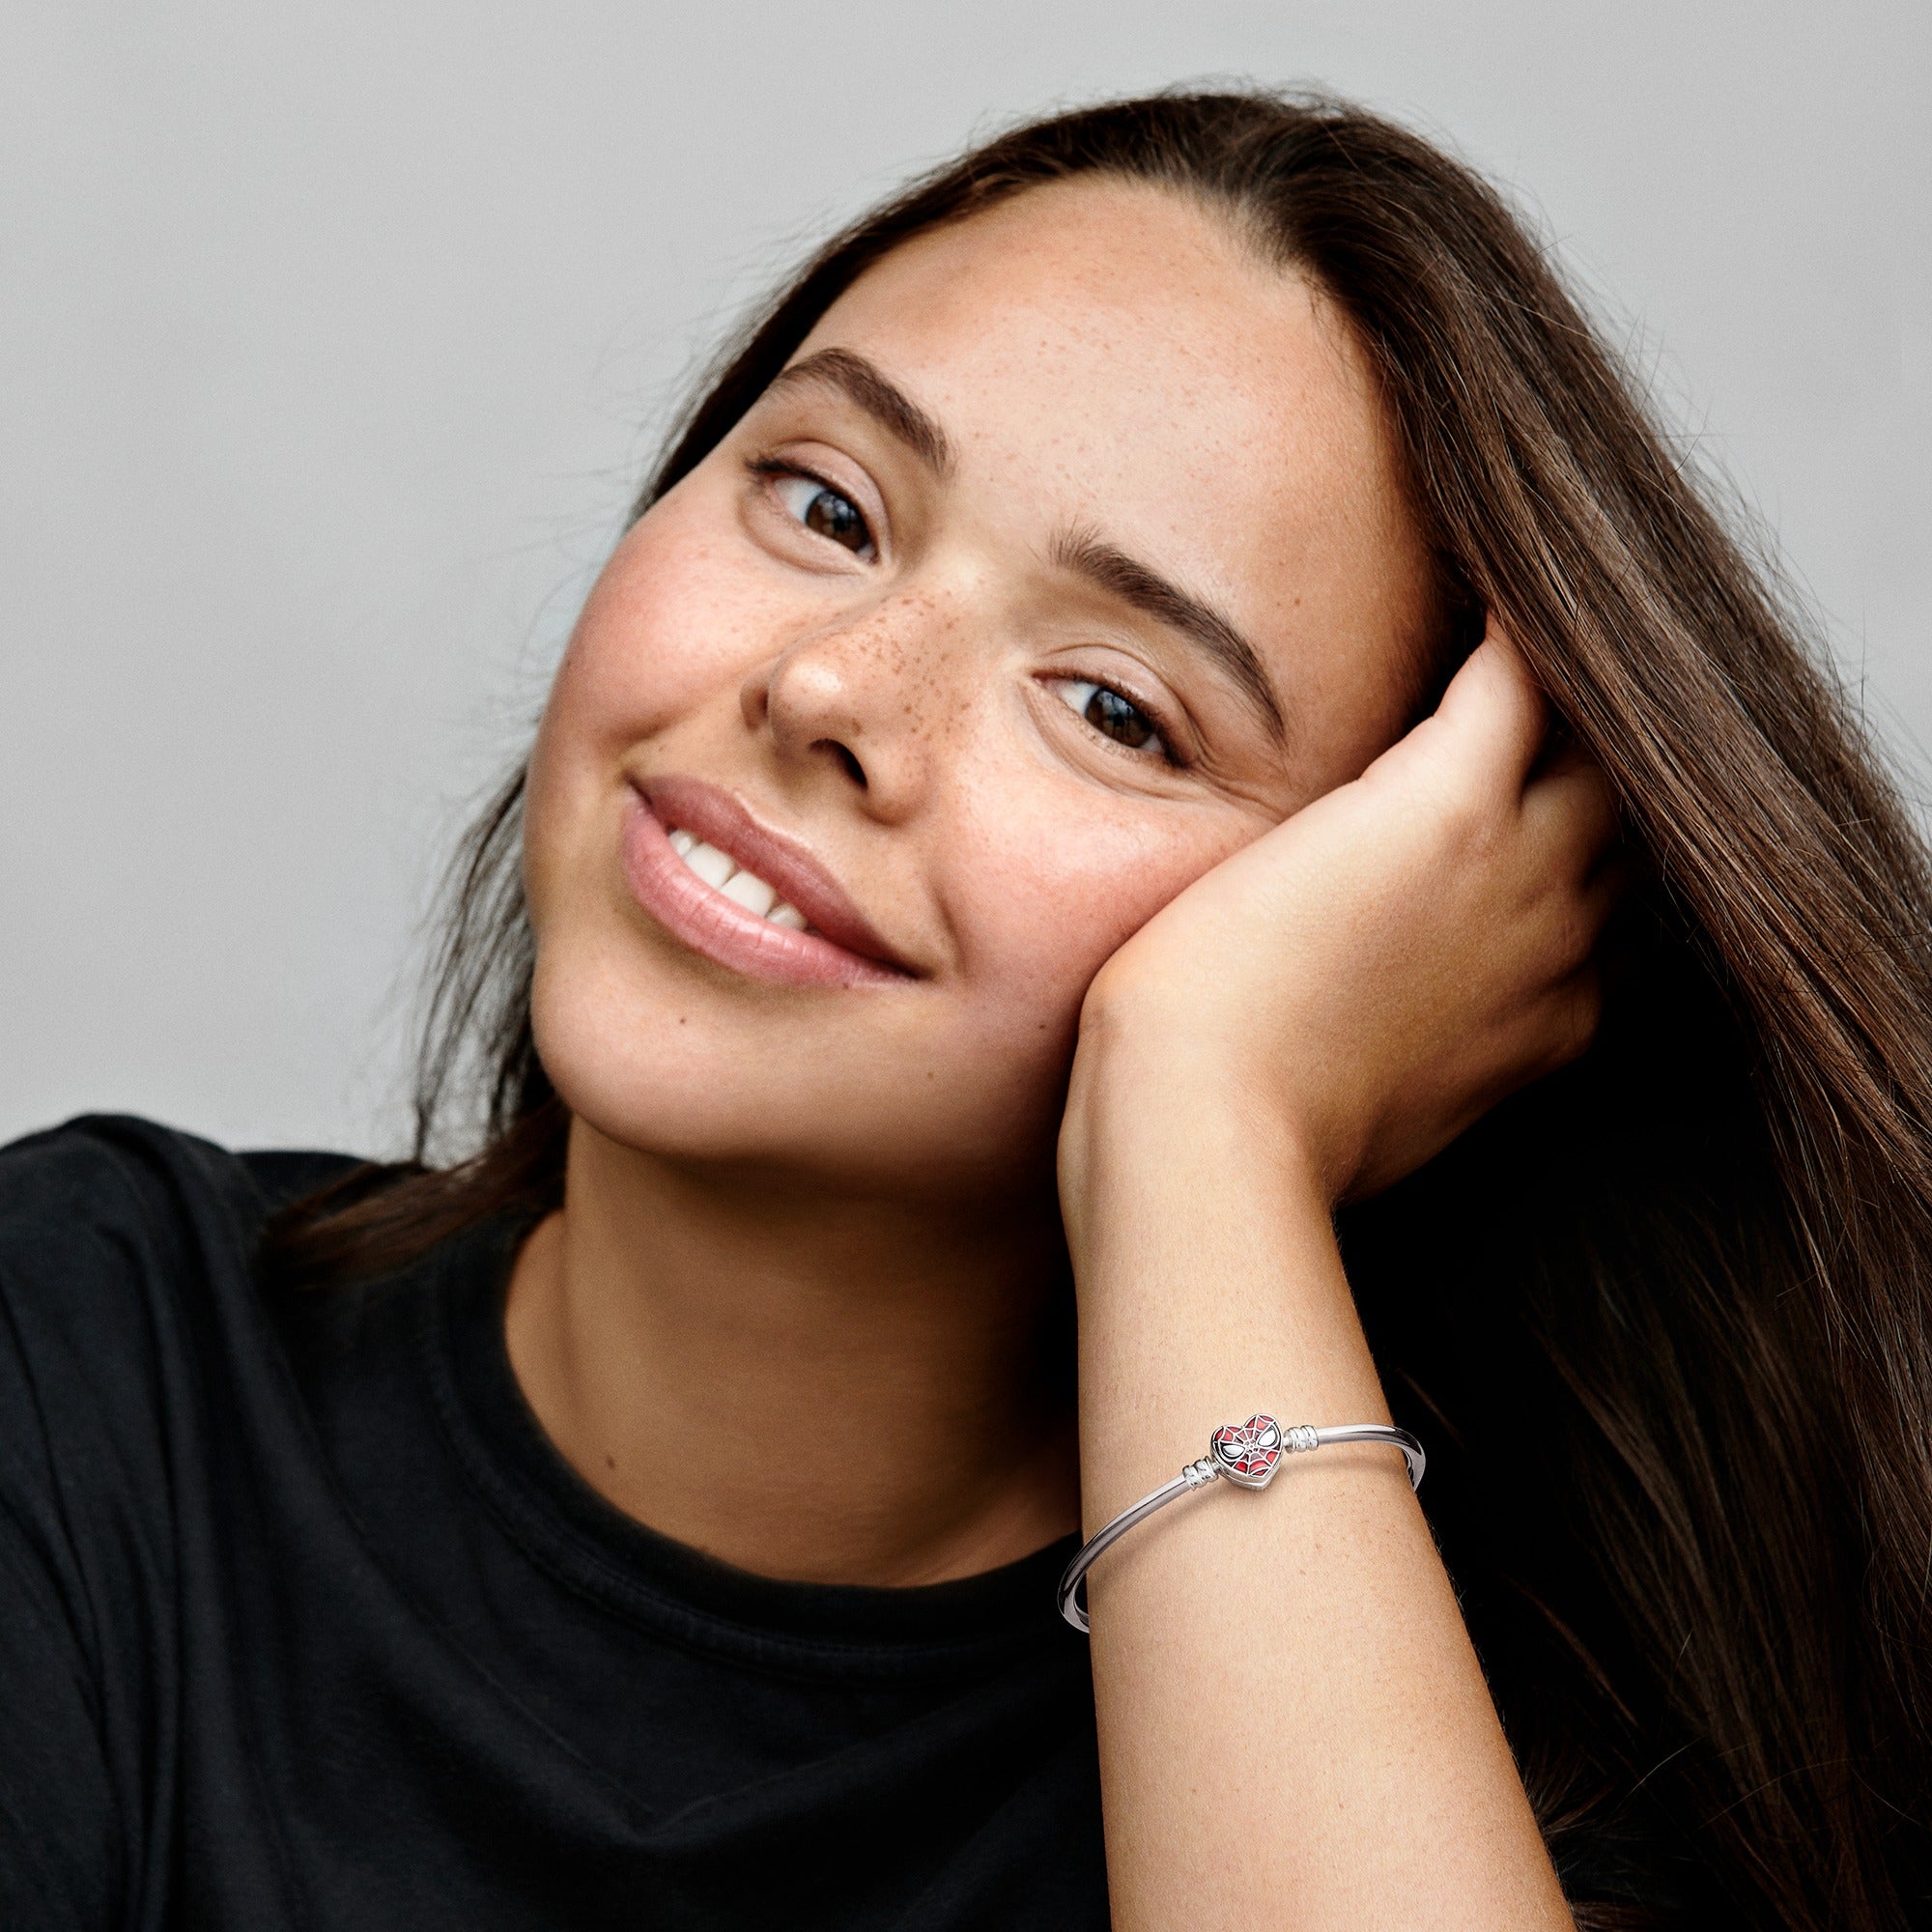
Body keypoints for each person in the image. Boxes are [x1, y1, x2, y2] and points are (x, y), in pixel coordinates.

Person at [2, 87, 1925, 1930]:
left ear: (1391, 935)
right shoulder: (77, 1357)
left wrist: (1206, 1116)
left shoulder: (1502, 1779)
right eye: (827, 504)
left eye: (1113, 706)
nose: (834, 688)